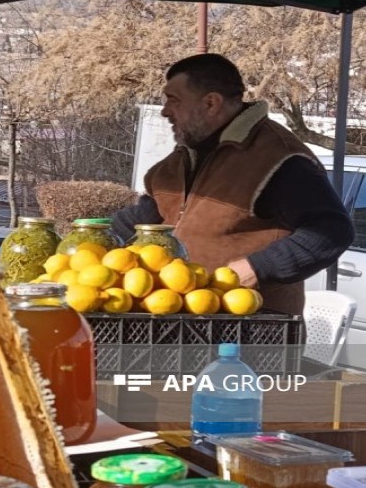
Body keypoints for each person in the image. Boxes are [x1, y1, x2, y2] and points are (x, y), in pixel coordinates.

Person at [113, 53, 353, 315]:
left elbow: (332, 229)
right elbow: (146, 218)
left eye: (174, 100)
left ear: (211, 103)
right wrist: (88, 243)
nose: (165, 111)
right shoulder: (184, 156)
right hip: (182, 323)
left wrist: (256, 268)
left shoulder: (278, 158)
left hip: (252, 331)